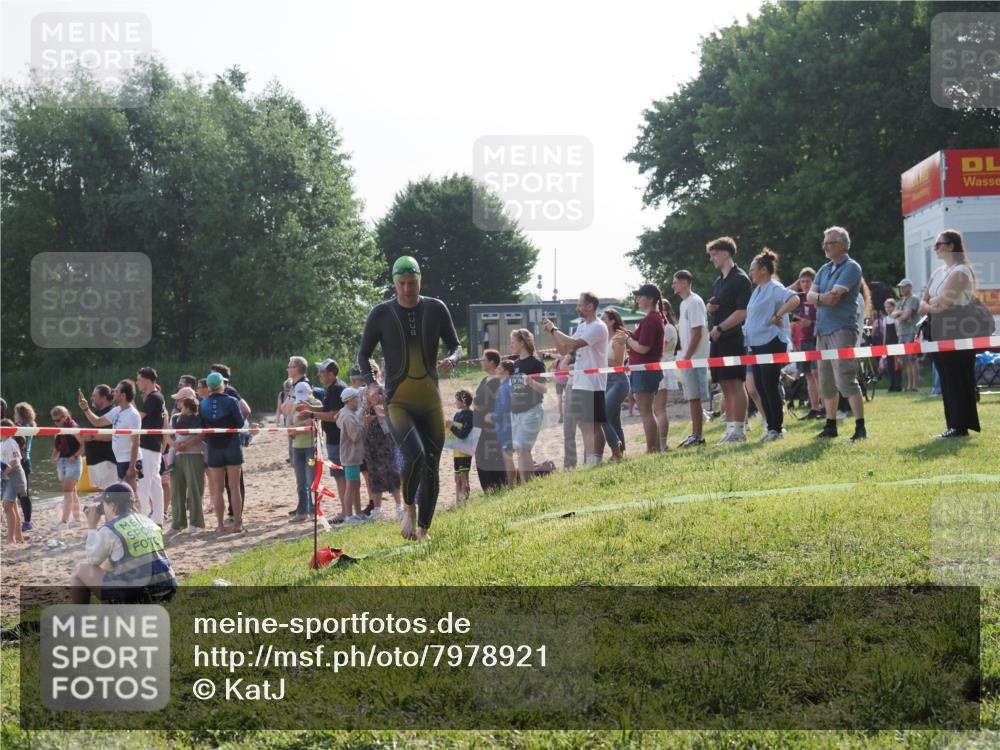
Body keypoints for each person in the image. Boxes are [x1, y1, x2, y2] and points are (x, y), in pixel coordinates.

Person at [357, 256, 462, 541]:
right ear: (395, 283)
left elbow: (456, 345)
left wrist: (452, 359)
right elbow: (363, 354)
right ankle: (409, 508)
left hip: (430, 400)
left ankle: (425, 531)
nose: (406, 289)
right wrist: (370, 383)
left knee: (431, 466)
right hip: (398, 400)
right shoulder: (381, 313)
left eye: (412, 283)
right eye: (401, 283)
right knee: (414, 454)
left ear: (420, 281)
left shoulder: (436, 308)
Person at [919, 229, 982, 439]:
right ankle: (953, 425)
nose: (936, 248)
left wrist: (933, 303)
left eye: (939, 244)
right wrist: (932, 305)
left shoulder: (962, 270)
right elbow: (923, 304)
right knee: (945, 377)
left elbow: (944, 302)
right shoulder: (939, 273)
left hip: (956, 327)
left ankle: (960, 426)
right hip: (937, 327)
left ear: (951, 246)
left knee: (957, 376)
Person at [70, 483, 178, 604]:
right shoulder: (149, 521)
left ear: (112, 506)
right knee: (110, 563)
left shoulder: (110, 530)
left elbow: (92, 559)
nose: (102, 509)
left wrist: (92, 526)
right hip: (167, 589)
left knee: (80, 569)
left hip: (141, 596)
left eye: (103, 505)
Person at [806, 226, 867, 441]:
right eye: (825, 243)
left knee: (845, 378)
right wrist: (821, 296)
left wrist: (819, 297)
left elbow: (831, 299)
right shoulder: (824, 269)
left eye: (830, 243)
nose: (826, 246)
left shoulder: (851, 268)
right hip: (822, 330)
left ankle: (860, 428)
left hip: (842, 329)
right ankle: (830, 426)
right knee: (826, 382)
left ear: (843, 245)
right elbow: (810, 296)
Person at [543, 292, 609, 466]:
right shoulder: (582, 326)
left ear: (590, 306)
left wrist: (554, 329)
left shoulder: (598, 326)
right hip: (580, 380)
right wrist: (552, 333)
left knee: (590, 424)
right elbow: (566, 350)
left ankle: (593, 461)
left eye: (580, 305)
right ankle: (594, 459)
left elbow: (574, 344)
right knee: (585, 424)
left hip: (592, 382)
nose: (577, 308)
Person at [745, 249, 800, 441]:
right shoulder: (757, 291)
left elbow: (795, 299)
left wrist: (777, 316)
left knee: (769, 384)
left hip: (772, 341)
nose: (750, 273)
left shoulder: (774, 287)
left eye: (753, 269)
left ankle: (777, 428)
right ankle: (771, 427)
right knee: (760, 385)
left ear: (764, 270)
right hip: (757, 344)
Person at [705, 237, 754, 445]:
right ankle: (730, 428)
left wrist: (721, 328)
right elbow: (722, 307)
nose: (711, 259)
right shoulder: (719, 282)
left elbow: (742, 312)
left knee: (735, 384)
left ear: (725, 253)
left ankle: (739, 430)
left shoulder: (741, 279)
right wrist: (710, 309)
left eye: (714, 254)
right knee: (724, 385)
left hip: (731, 338)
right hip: (717, 340)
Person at [297, 359, 348, 509]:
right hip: (337, 438)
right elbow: (327, 410)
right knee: (341, 476)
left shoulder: (335, 389)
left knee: (340, 477)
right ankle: (346, 511)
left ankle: (346, 512)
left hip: (337, 439)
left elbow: (333, 415)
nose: (319, 375)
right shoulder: (335, 387)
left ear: (331, 374)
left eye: (322, 372)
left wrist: (311, 414)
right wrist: (310, 408)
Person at [199, 372, 246, 532]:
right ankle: (238, 523)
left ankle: (220, 525)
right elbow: (240, 424)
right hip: (231, 445)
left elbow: (202, 429)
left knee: (217, 489)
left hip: (213, 447)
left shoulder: (203, 404)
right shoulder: (231, 401)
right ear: (222, 385)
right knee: (234, 487)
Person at [623, 283, 665, 452]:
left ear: (651, 299)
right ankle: (654, 448)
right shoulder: (653, 317)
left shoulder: (650, 319)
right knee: (648, 410)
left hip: (644, 370)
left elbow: (643, 347)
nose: (638, 299)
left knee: (646, 411)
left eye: (641, 296)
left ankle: (652, 449)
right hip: (647, 369)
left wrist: (627, 340)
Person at [671, 270, 711, 447]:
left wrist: (687, 356)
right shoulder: (684, 304)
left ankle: (698, 436)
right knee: (691, 397)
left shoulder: (694, 302)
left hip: (695, 357)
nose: (673, 285)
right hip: (688, 357)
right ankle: (695, 433)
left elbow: (697, 331)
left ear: (684, 282)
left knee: (695, 397)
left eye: (675, 282)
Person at [78, 380, 141, 492]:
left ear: (123, 395)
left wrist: (132, 466)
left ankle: (146, 509)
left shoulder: (133, 415)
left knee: (132, 493)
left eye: (116, 391)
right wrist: (86, 409)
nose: (113, 393)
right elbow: (97, 422)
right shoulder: (117, 410)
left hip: (128, 460)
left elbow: (135, 442)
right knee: (123, 495)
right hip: (119, 459)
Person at [507, 328, 547, 484]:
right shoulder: (515, 363)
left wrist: (531, 382)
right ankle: (528, 485)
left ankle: (526, 485)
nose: (511, 345)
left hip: (531, 411)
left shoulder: (536, 363)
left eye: (513, 342)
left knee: (523, 449)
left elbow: (544, 388)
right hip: (515, 412)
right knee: (521, 450)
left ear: (522, 342)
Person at [165, 391, 205, 533]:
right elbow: (168, 435)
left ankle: (194, 522)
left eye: (180, 400)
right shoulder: (175, 418)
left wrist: (186, 444)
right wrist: (174, 445)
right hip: (178, 455)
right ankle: (177, 524)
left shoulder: (198, 418)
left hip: (193, 455)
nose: (178, 403)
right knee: (176, 491)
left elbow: (202, 434)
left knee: (194, 490)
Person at [362, 384, 403, 519]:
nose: (372, 396)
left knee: (392, 472)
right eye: (369, 394)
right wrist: (366, 418)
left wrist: (374, 414)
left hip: (386, 443)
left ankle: (399, 507)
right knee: (374, 475)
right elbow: (360, 421)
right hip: (372, 446)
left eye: (374, 394)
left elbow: (390, 414)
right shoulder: (366, 408)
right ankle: (377, 509)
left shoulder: (386, 405)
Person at [789, 268, 824, 418]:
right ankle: (814, 407)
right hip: (803, 340)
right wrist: (795, 284)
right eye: (802, 281)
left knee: (818, 374)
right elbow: (783, 293)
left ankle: (824, 407)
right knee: (808, 374)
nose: (804, 284)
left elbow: (821, 316)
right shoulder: (800, 297)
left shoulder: (817, 297)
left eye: (808, 281)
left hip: (817, 338)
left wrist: (811, 321)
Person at [472, 350, 507, 493]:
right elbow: (476, 401)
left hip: (491, 425)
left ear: (492, 362)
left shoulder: (497, 381)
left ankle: (498, 485)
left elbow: (482, 402)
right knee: (480, 456)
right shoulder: (484, 380)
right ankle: (487, 488)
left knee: (492, 455)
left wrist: (478, 404)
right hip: (479, 425)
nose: (481, 362)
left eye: (484, 360)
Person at [134, 368, 166, 526]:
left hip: (148, 446)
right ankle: (157, 519)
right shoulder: (156, 397)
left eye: (139, 379)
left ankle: (144, 520)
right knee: (154, 483)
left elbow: (138, 418)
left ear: (147, 380)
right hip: (152, 445)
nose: (137, 382)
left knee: (145, 483)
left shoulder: (154, 398)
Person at [336, 387, 368, 525]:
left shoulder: (344, 412)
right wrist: (366, 423)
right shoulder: (348, 416)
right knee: (351, 486)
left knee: (356, 484)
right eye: (356, 399)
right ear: (349, 401)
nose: (358, 401)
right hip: (351, 456)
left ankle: (358, 513)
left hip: (351, 455)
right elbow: (355, 435)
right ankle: (349, 516)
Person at [601, 309, 630, 460]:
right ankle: (620, 453)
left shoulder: (618, 338)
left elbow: (618, 363)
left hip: (618, 380)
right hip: (606, 381)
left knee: (602, 416)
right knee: (614, 420)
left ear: (612, 321)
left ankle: (616, 450)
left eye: (604, 318)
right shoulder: (604, 338)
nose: (601, 321)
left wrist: (599, 361)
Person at [77, 387, 118, 491]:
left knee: (108, 493)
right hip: (95, 460)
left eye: (94, 396)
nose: (91, 398)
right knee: (101, 491)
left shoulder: (111, 412)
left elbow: (111, 435)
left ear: (103, 398)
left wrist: (91, 436)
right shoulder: (96, 414)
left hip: (106, 460)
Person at [49, 406, 83, 529]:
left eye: (58, 420)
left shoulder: (74, 428)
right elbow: (56, 448)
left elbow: (84, 445)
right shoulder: (58, 430)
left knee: (67, 492)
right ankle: (77, 519)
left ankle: (64, 522)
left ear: (66, 416)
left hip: (73, 461)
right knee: (72, 493)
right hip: (62, 461)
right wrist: (53, 457)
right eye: (54, 421)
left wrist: (75, 456)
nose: (56, 423)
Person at [652, 300, 679, 451]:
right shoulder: (667, 327)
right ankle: (660, 443)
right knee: (657, 409)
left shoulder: (667, 328)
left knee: (660, 409)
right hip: (662, 367)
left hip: (663, 367)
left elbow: (659, 349)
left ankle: (662, 444)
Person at [486, 360, 517, 486]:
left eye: (499, 367)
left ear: (506, 371)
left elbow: (503, 409)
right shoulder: (508, 385)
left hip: (505, 426)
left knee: (507, 457)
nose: (497, 369)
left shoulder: (504, 387)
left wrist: (491, 417)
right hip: (509, 425)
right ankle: (512, 484)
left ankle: (511, 485)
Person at [892, 278, 921, 392]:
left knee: (912, 359)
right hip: (902, 333)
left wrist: (900, 314)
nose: (901, 289)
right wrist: (900, 313)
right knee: (906, 361)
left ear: (910, 287)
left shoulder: (913, 299)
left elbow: (905, 316)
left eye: (903, 287)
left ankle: (914, 386)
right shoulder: (902, 301)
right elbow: (893, 314)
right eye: (900, 287)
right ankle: (909, 385)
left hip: (911, 332)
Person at [1, 419, 26, 544]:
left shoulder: (10, 442)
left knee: (7, 505)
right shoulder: (2, 443)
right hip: (7, 477)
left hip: (14, 476)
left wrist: (5, 471)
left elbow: (15, 461)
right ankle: (18, 536)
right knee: (12, 506)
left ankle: (11, 539)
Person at [12, 402, 36, 530]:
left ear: (21, 414)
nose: (13, 415)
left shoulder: (24, 427)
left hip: (23, 462)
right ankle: (26, 520)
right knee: (21, 493)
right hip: (23, 462)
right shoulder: (27, 426)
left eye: (15, 413)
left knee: (24, 494)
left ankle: (27, 522)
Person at [447, 390, 474, 503]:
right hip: (457, 450)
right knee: (457, 478)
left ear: (463, 402)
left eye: (457, 400)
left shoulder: (470, 415)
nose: (455, 402)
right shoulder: (457, 415)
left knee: (464, 477)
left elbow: (463, 434)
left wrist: (451, 427)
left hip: (465, 450)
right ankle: (458, 502)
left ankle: (464, 502)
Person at [883, 299, 903, 392]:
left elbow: (898, 332)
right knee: (889, 365)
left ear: (893, 307)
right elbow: (884, 334)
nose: (887, 309)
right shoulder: (885, 319)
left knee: (897, 365)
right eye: (886, 307)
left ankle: (898, 385)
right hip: (887, 345)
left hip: (895, 343)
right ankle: (892, 384)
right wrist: (883, 346)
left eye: (889, 307)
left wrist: (899, 344)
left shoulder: (896, 319)